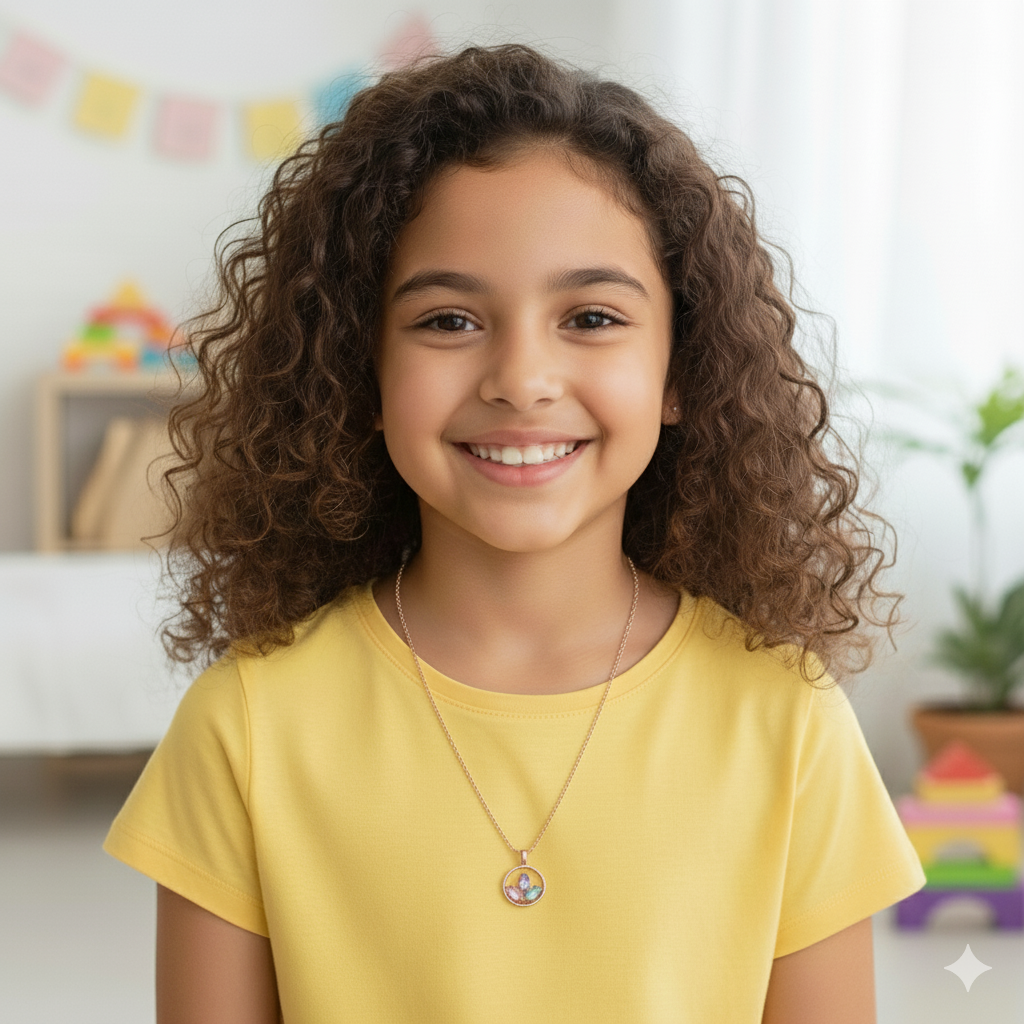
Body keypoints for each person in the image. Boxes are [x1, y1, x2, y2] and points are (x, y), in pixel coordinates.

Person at [104, 43, 925, 1023]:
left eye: (589, 315)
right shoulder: (245, 726)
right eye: (448, 321)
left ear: (679, 371)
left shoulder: (786, 721)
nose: (520, 378)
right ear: (357, 371)